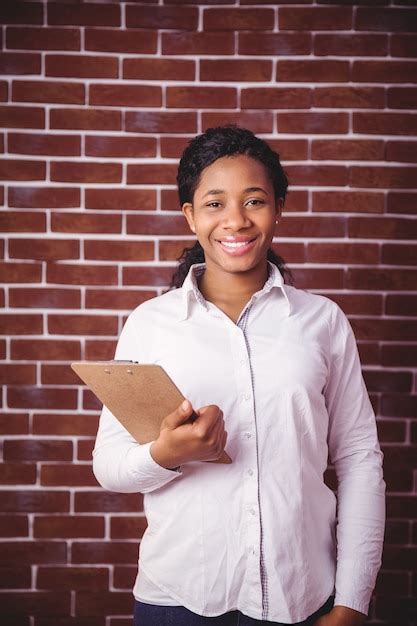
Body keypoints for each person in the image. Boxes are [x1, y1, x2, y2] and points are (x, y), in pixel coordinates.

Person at [92, 125, 385, 626]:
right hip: (177, 600)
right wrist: (167, 455)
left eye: (254, 201)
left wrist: (352, 601)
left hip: (300, 595)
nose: (235, 221)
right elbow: (109, 465)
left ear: (278, 208)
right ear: (190, 216)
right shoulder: (150, 323)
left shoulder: (322, 321)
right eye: (214, 204)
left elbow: (359, 460)